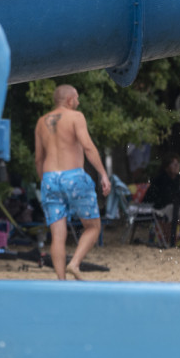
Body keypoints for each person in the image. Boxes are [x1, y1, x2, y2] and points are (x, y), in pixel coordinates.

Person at [34, 84, 111, 280]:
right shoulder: (76, 117)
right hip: (73, 176)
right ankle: (75, 264)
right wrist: (103, 173)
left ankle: (62, 282)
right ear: (69, 100)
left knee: (58, 235)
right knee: (93, 227)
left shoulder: (41, 122)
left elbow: (38, 159)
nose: (78, 102)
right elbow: (87, 146)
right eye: (76, 98)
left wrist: (44, 181)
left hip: (50, 178)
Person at [142, 155, 180, 247]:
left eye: (178, 164)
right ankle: (169, 240)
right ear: (166, 167)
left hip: (175, 206)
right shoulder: (160, 179)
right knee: (171, 209)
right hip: (159, 207)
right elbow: (161, 199)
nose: (177, 166)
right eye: (174, 164)